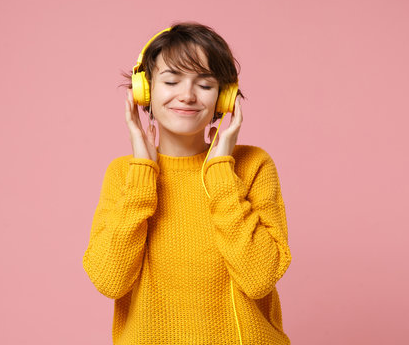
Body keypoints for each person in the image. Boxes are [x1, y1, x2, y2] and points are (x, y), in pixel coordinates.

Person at [82, 21, 292, 344]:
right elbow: (110, 279)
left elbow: (259, 278)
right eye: (171, 80)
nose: (188, 95)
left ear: (224, 98)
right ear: (145, 91)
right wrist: (143, 171)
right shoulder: (124, 174)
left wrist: (221, 169)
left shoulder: (253, 166)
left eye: (205, 85)